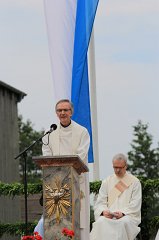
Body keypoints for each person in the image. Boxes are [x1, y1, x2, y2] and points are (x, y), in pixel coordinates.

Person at [37, 99, 90, 239]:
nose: (62, 113)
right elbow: (46, 153)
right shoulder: (49, 133)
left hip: (75, 180)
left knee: (76, 218)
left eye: (65, 110)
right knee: (53, 218)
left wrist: (66, 166)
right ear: (56, 113)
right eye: (59, 110)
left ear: (71, 112)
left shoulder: (82, 132)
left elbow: (81, 155)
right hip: (54, 182)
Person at [90, 153, 142, 240]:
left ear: (126, 166)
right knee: (100, 222)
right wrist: (104, 212)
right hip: (109, 216)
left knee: (122, 223)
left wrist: (123, 213)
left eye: (120, 168)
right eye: (115, 167)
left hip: (127, 216)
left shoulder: (134, 182)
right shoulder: (107, 181)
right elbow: (101, 201)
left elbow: (135, 203)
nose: (117, 170)